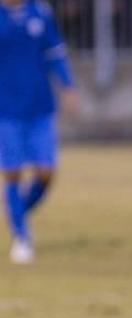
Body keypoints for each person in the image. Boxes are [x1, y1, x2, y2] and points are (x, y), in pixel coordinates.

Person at [0, 0, 79, 264]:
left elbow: (54, 53)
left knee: (46, 172)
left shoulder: (39, 12)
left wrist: (68, 87)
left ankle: (17, 212)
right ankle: (21, 235)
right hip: (6, 109)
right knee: (12, 171)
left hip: (40, 106)